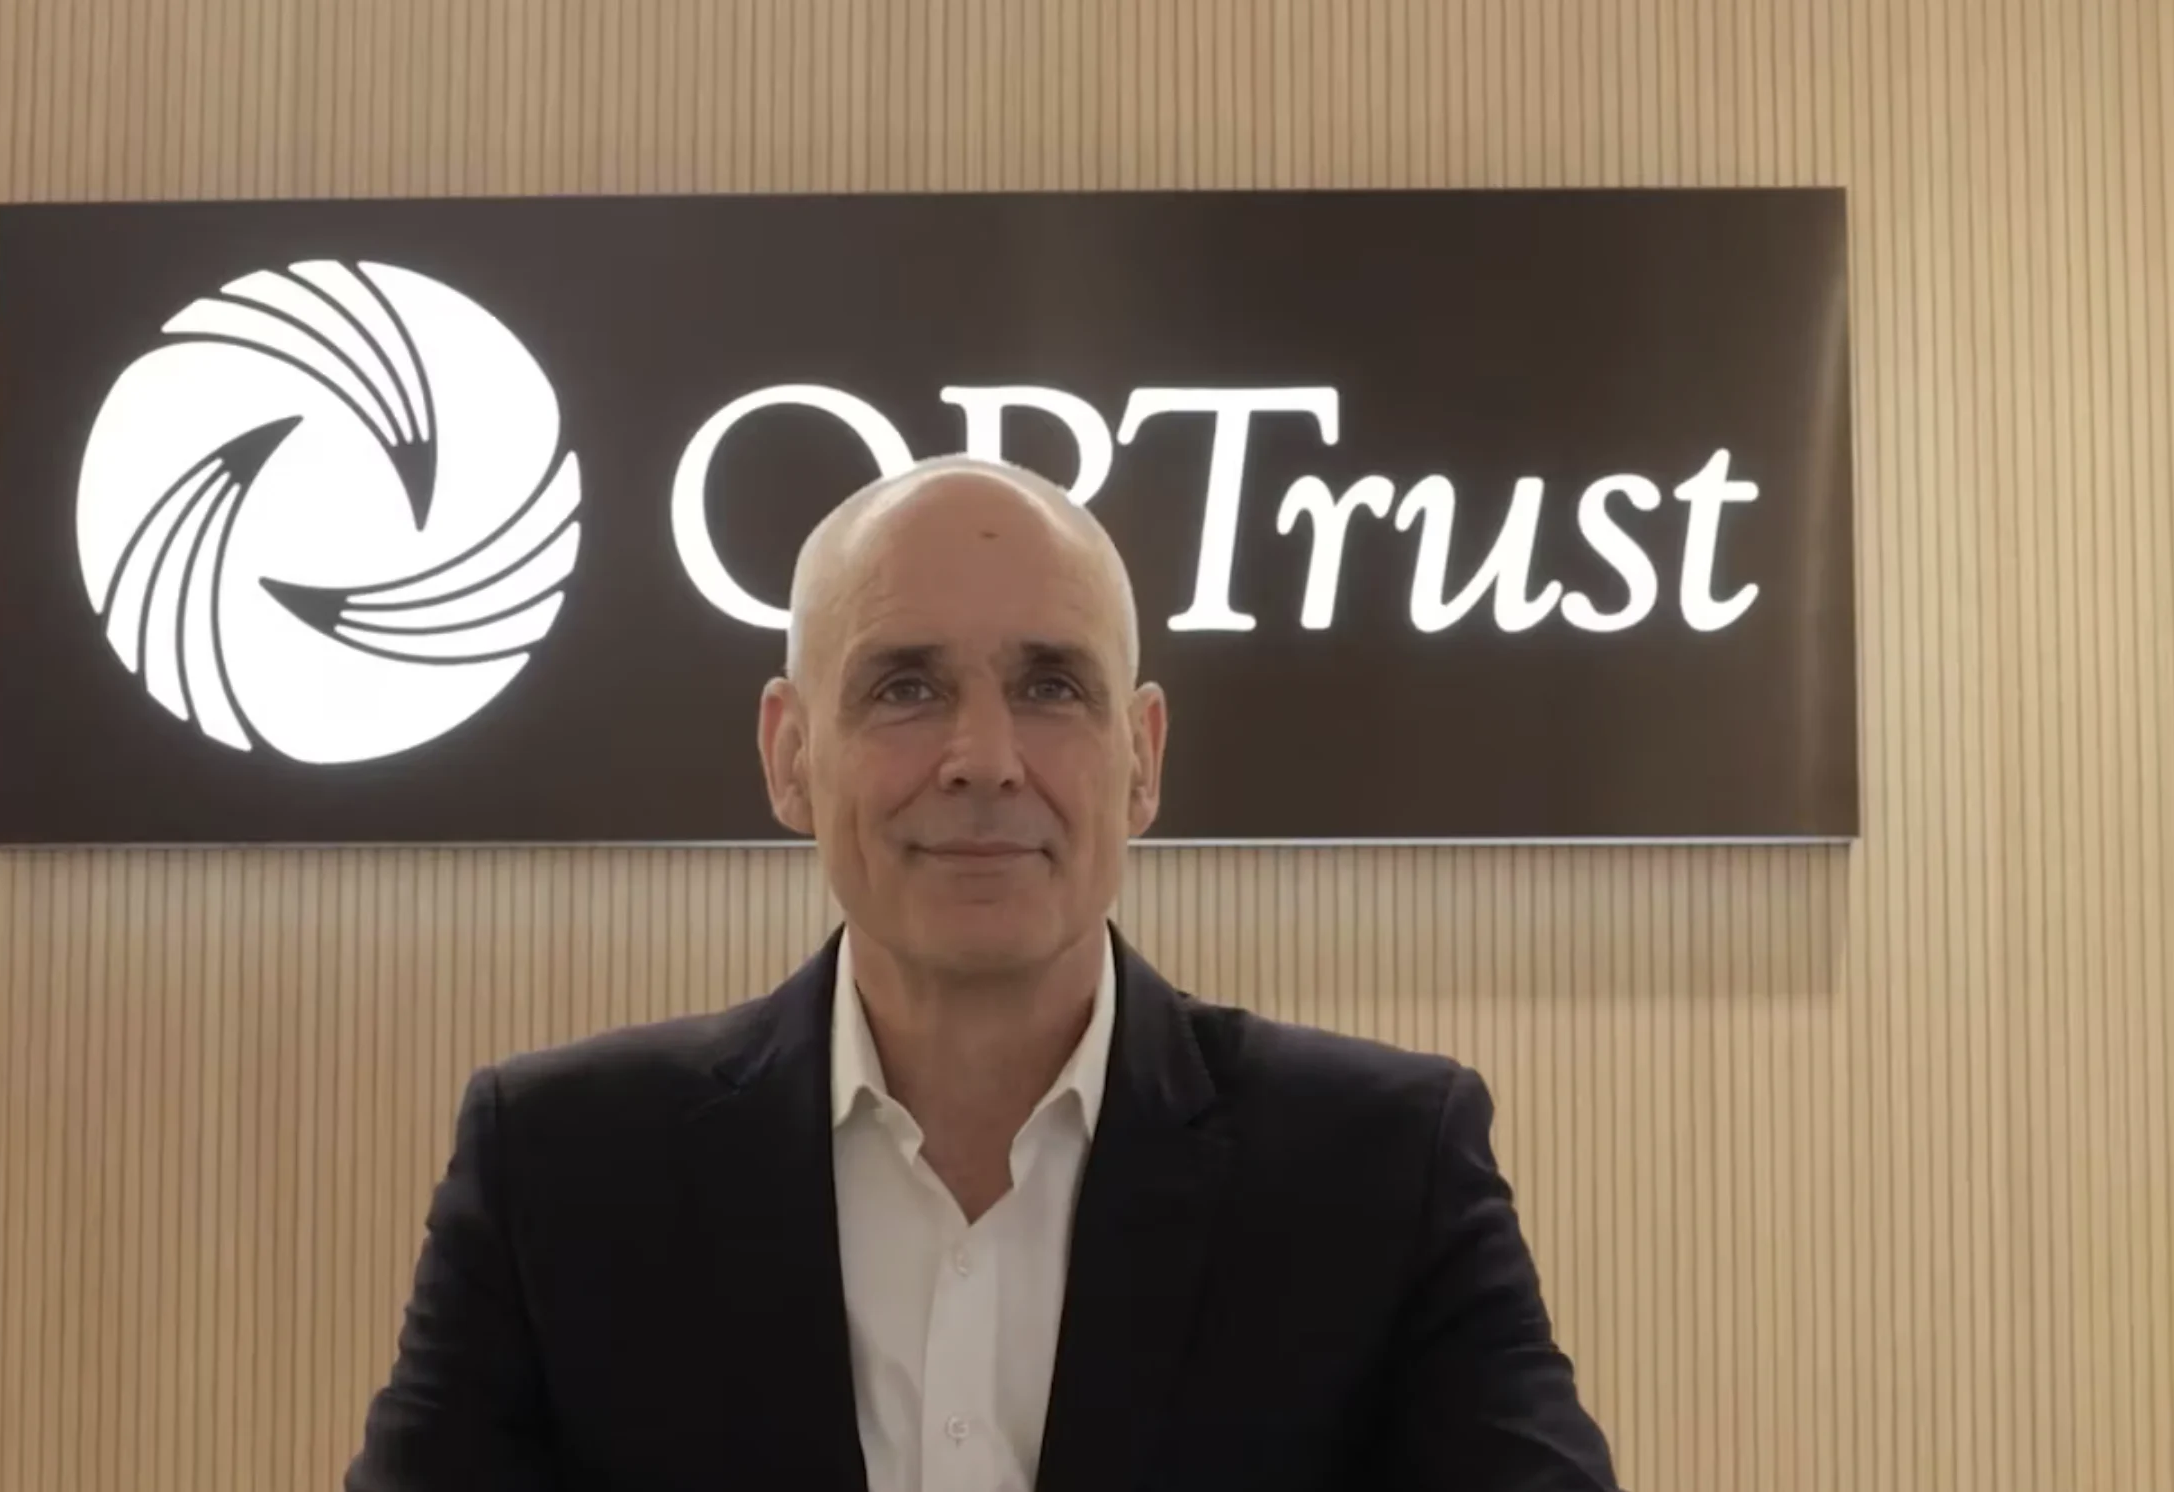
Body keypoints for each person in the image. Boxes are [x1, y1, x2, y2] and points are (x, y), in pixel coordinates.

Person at [344, 455, 1622, 1491]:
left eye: (1051, 685)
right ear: (790, 756)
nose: (985, 758)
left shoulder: (1382, 1167)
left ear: (1143, 758)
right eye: (905, 686)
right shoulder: (557, 1168)